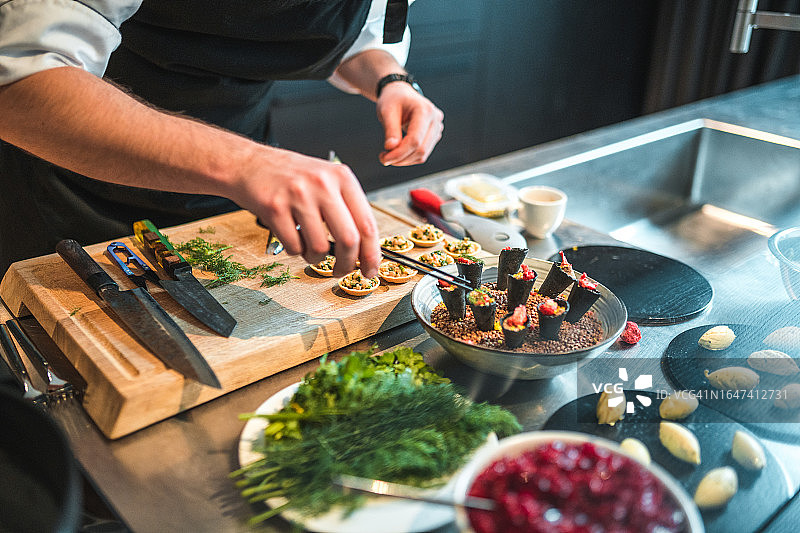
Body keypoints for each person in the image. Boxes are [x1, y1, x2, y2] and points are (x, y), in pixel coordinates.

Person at [0, 0, 444, 278]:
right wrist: (244, 165)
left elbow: (343, 32)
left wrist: (392, 80)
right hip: (74, 184)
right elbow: (20, 81)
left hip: (235, 179)